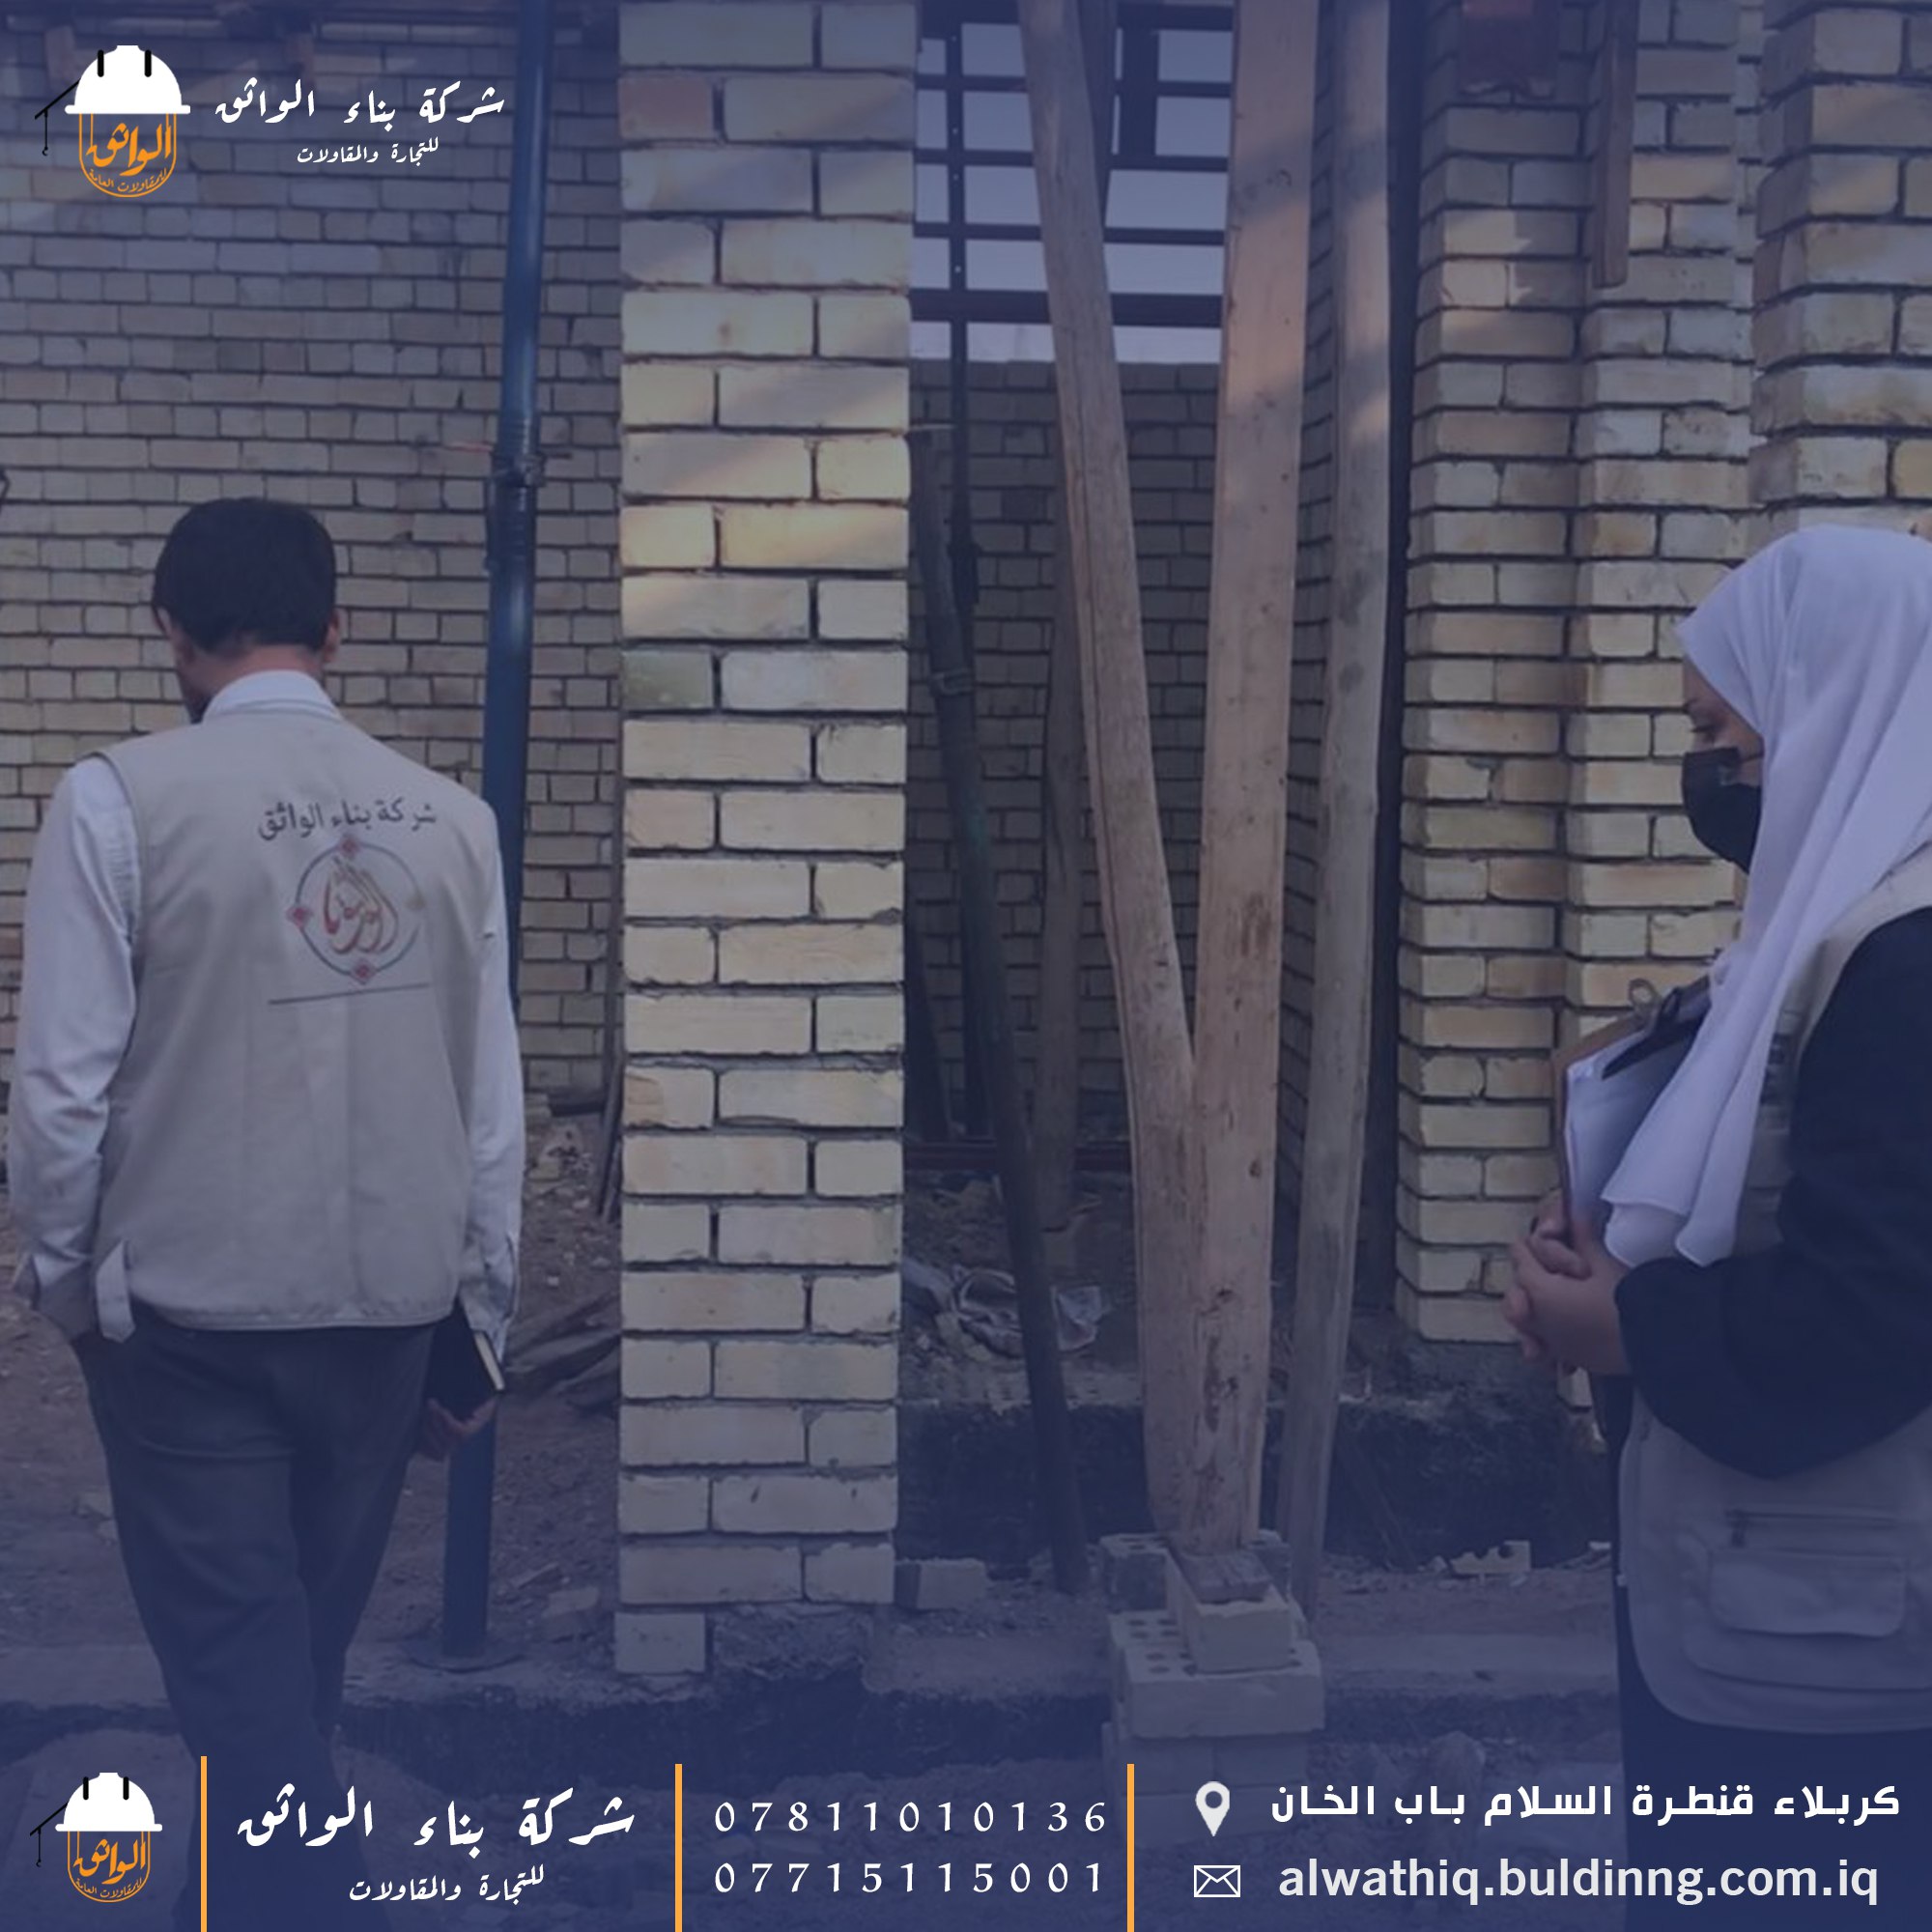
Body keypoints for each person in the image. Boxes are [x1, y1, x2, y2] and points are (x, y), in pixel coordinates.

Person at [7, 498, 525, 1930]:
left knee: (241, 1677)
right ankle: (275, 1886)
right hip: (387, 1316)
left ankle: (293, 1900)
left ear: (170, 633)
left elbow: (59, 1091)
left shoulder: (116, 802)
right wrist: (477, 1318)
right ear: (337, 632)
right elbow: (490, 1101)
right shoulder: (457, 823)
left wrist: (68, 1286)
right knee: (296, 1662)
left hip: (189, 1322)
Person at [1507, 526, 1932, 1928]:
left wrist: (1621, 1323)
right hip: (1782, 1599)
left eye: (1716, 734)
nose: (1703, 775)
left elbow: (1873, 1317)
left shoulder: (1904, 966)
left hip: (1839, 1647)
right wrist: (1605, 1235)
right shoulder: (1827, 930)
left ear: (1834, 704)